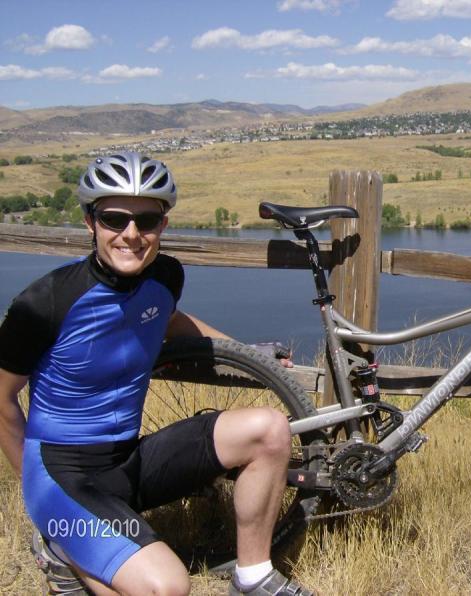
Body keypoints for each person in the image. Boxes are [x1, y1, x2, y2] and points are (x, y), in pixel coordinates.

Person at [0, 152, 311, 596]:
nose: (131, 234)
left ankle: (254, 575)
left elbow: (166, 320)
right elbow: (1, 399)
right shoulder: (46, 302)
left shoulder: (164, 276)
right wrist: (39, 497)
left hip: (129, 460)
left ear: (162, 225)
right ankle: (60, 546)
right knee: (166, 587)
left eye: (146, 221)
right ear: (91, 223)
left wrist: (246, 354)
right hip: (62, 475)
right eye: (114, 219)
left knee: (269, 429)